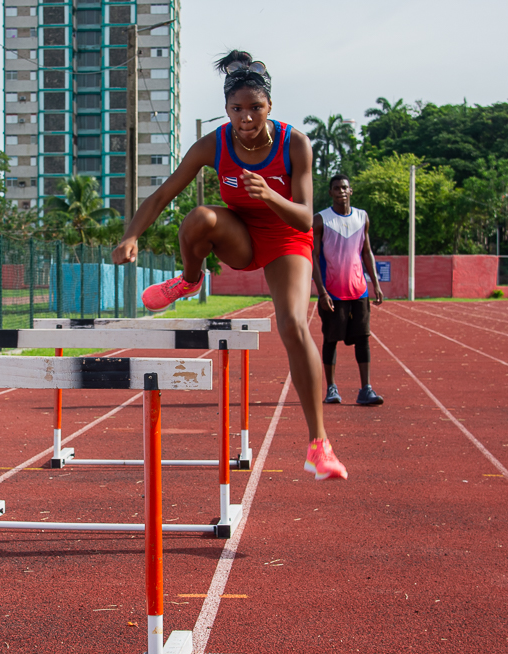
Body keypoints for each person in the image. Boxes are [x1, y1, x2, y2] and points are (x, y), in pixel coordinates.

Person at [111, 50, 347, 481]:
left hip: (286, 239)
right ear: (226, 110)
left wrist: (270, 195)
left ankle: (319, 445)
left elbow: (304, 216)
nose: (246, 118)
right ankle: (188, 280)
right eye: (237, 109)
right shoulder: (213, 144)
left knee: (293, 324)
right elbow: (163, 195)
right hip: (240, 235)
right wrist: (131, 235)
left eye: (255, 108)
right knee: (199, 216)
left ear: (270, 106)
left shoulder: (295, 144)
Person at [312, 174, 385, 406]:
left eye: (344, 187)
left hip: (359, 291)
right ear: (331, 193)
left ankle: (366, 389)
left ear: (351, 191)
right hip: (332, 292)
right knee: (331, 339)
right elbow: (313, 257)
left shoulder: (362, 217)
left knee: (363, 338)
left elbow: (367, 251)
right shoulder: (321, 220)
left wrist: (376, 283)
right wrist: (321, 292)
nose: (341, 191)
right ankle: (331, 388)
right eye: (336, 188)